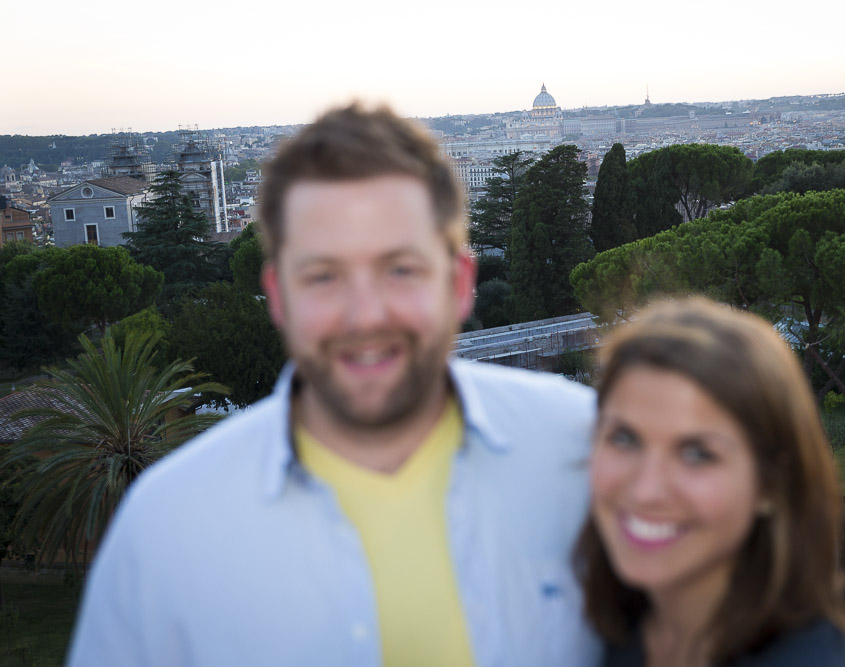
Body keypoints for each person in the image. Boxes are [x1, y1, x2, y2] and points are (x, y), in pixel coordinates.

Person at [69, 104, 600, 667]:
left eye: (400, 269)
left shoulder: (590, 453)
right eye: (324, 275)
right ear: (277, 294)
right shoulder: (164, 530)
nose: (364, 315)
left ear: (459, 282)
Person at [575, 298, 845, 667]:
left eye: (698, 453)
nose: (645, 490)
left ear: (770, 485)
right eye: (624, 438)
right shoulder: (616, 628)